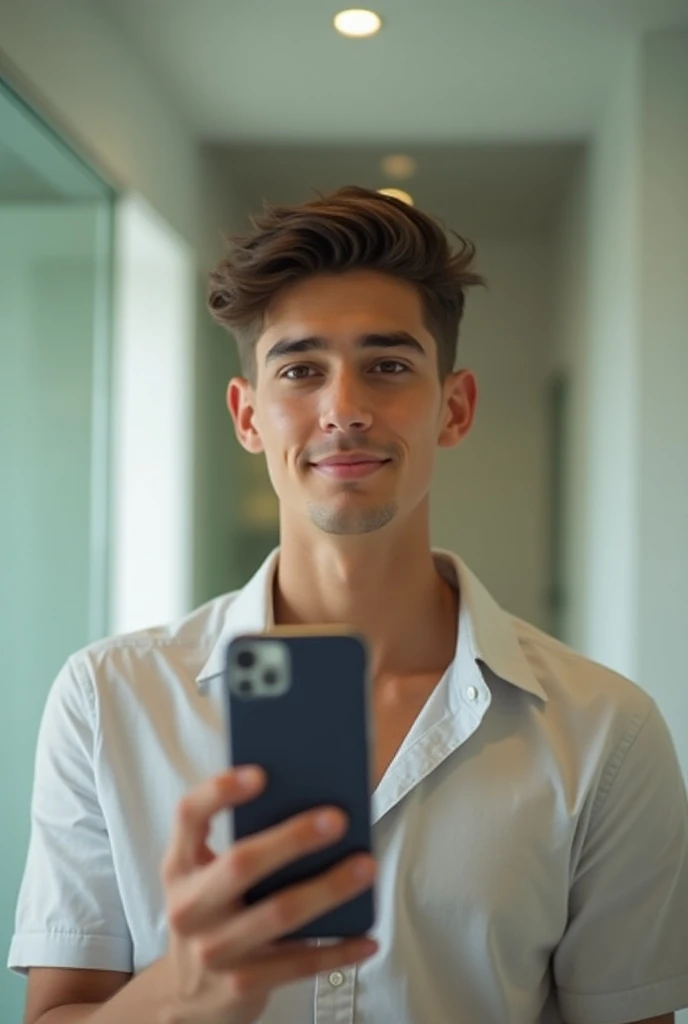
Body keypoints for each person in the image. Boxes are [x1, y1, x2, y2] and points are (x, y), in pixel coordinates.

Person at [9, 186, 688, 1024]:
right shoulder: (108, 701)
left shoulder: (606, 734)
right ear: (248, 416)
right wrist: (178, 997)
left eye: (389, 365)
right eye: (300, 370)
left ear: (456, 406)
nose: (345, 410)